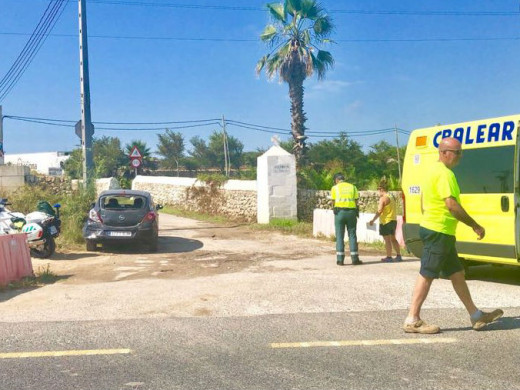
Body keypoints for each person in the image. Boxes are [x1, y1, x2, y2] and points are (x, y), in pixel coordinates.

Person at [403, 137, 503, 334]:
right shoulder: (444, 174)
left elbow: (424, 201)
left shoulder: (433, 170)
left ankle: (476, 315)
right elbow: (451, 205)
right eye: (457, 152)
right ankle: (412, 319)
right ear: (444, 152)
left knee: (457, 273)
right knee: (427, 273)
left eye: (460, 152)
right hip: (438, 231)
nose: (460, 156)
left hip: (441, 231)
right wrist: (475, 225)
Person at [331, 173, 362, 266]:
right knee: (352, 234)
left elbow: (333, 201)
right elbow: (356, 201)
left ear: (336, 180)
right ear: (343, 179)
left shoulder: (335, 188)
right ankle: (355, 259)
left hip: (339, 213)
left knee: (339, 236)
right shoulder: (353, 187)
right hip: (351, 213)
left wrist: (334, 209)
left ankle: (340, 260)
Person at [369, 180, 402, 262]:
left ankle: (389, 257)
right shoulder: (392, 196)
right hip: (393, 220)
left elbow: (379, 211)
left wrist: (373, 220)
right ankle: (398, 255)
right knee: (393, 239)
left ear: (381, 189)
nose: (378, 192)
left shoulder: (383, 198)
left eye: (378, 190)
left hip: (386, 221)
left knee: (387, 240)